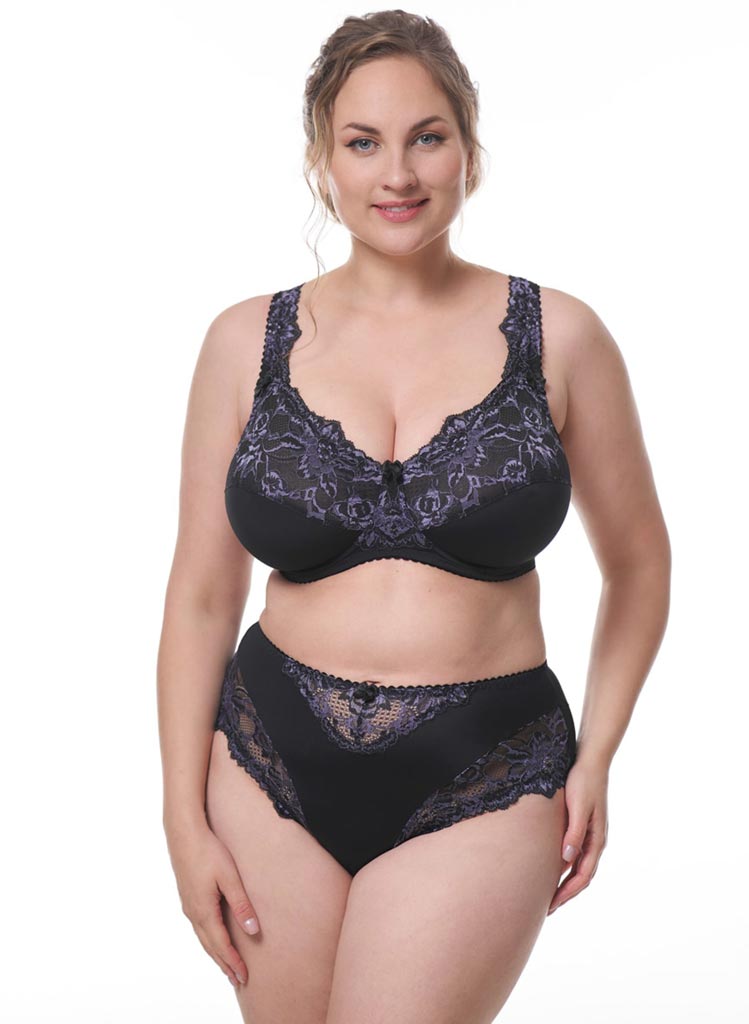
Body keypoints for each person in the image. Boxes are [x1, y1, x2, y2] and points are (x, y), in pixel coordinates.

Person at [157, 10, 671, 1022]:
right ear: (323, 159)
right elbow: (202, 594)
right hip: (266, 755)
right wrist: (181, 815)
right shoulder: (242, 343)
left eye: (425, 137)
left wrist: (598, 755)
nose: (396, 173)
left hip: (485, 764)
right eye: (363, 142)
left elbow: (639, 566)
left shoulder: (560, 337)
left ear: (468, 149)